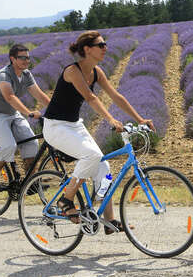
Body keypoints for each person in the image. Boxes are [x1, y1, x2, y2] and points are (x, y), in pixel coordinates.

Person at [42, 31, 154, 233]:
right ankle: (66, 200)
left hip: (74, 124)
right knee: (92, 155)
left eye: (105, 44)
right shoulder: (72, 71)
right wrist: (111, 119)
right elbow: (91, 97)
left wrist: (140, 119)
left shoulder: (96, 72)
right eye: (101, 45)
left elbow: (116, 96)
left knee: (103, 167)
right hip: (55, 126)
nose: (106, 48)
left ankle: (109, 221)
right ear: (87, 49)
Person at [0, 44, 51, 191]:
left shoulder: (26, 74)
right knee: (9, 146)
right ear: (12, 59)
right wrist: (28, 112)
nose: (26, 61)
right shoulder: (4, 75)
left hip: (12, 114)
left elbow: (38, 94)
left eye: (28, 58)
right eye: (22, 58)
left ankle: (31, 182)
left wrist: (56, 110)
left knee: (32, 143)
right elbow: (10, 97)